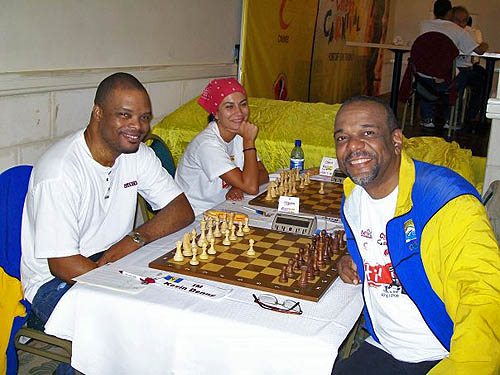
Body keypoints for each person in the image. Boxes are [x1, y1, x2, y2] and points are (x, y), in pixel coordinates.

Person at [331, 96, 500, 374]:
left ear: (396, 141)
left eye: (368, 133)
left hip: (444, 353)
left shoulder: (446, 201)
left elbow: (482, 299)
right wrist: (351, 259)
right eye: (342, 138)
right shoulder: (354, 197)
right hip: (385, 345)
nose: (353, 146)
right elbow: (383, 246)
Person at [21, 72, 195, 332]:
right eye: (125, 115)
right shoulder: (60, 172)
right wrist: (117, 284)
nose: (137, 126)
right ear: (98, 113)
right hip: (54, 283)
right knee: (134, 325)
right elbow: (62, 265)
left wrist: (134, 239)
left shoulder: (136, 155)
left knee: (177, 302)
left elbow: (181, 209)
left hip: (112, 260)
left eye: (144, 117)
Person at [175, 78, 269, 216]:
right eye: (229, 107)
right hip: (195, 216)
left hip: (224, 208)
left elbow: (263, 174)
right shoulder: (207, 145)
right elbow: (252, 187)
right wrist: (249, 141)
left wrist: (239, 186)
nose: (239, 113)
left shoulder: (237, 134)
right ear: (216, 114)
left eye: (243, 104)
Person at [418, 0, 488, 129]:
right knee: (460, 79)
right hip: (447, 74)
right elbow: (478, 50)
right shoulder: (459, 31)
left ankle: (427, 118)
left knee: (426, 80)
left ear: (434, 12)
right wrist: (484, 44)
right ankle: (451, 120)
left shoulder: (424, 25)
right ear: (450, 13)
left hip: (424, 73)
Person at [451, 6, 487, 126]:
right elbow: (480, 49)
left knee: (481, 79)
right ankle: (454, 117)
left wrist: (482, 45)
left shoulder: (472, 32)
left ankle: (471, 115)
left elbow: (479, 50)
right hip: (452, 67)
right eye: (458, 20)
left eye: (464, 20)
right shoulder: (448, 30)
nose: (461, 24)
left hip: (466, 67)